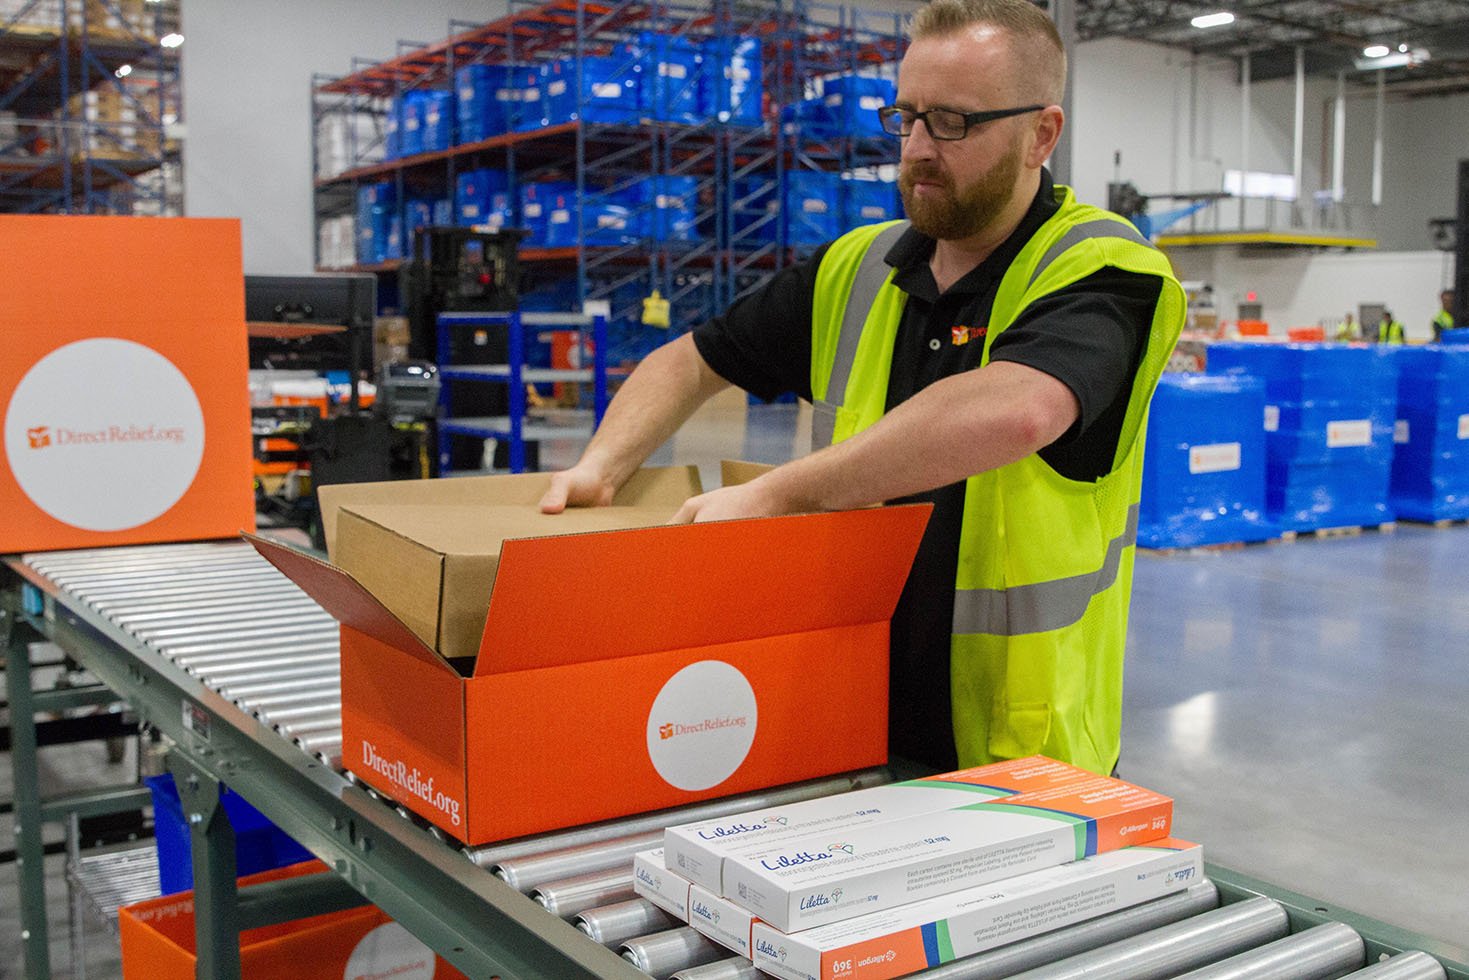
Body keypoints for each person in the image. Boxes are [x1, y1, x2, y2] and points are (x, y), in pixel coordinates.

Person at [539, 0, 1185, 776]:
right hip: (846, 729)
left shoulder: (1104, 269)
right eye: (905, 117)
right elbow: (690, 360)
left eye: (952, 122)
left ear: (1040, 135)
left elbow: (1018, 408)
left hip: (1020, 756)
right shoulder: (855, 269)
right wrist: (601, 465)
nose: (916, 149)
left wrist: (780, 494)